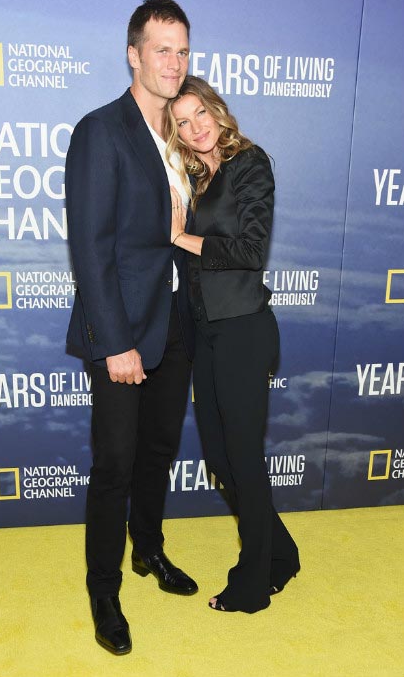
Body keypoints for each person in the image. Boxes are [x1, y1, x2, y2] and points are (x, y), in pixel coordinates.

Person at [65, 0, 197, 655]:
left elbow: (173, 235)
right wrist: (115, 342)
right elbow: (89, 248)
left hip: (173, 322)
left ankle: (148, 552)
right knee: (114, 466)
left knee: (158, 453)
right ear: (133, 54)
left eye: (182, 50)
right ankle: (103, 591)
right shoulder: (102, 130)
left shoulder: (175, 134)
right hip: (121, 329)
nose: (173, 62)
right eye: (161, 49)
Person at [165, 75, 300, 614]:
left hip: (244, 330)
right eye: (182, 121)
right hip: (207, 333)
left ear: (217, 111)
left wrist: (180, 237)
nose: (195, 127)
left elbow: (247, 249)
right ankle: (282, 552)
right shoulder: (195, 177)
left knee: (243, 457)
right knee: (222, 456)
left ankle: (252, 584)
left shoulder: (250, 164)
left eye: (200, 113)